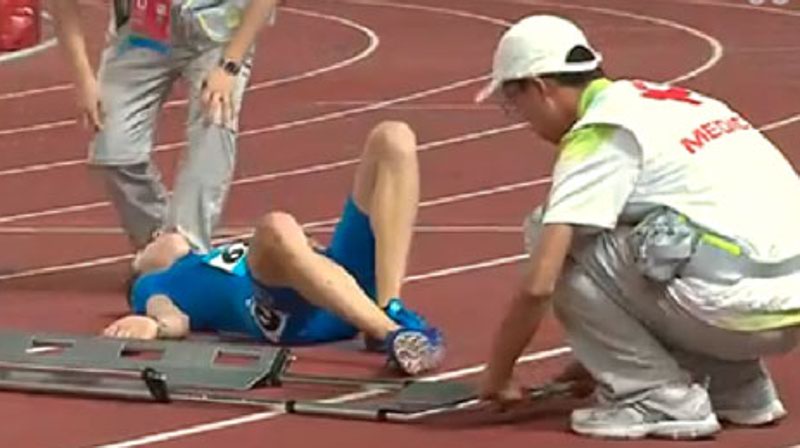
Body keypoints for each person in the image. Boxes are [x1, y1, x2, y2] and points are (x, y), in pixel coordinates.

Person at [474, 15, 800, 439]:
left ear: (539, 87)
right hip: (786, 303)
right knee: (661, 235)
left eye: (514, 105)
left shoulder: (600, 133)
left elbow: (540, 283)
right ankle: (737, 386)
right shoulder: (669, 100)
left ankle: (656, 397)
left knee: (554, 234)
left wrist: (497, 375)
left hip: (733, 311)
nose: (522, 121)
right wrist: (605, 355)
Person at [103, 121, 445, 376]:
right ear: (141, 267)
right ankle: (395, 334)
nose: (160, 236)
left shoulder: (203, 256)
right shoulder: (154, 284)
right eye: (148, 245)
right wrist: (152, 326)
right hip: (289, 318)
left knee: (392, 137)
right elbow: (172, 318)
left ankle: (390, 306)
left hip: (340, 288)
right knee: (275, 227)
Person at [50, 0, 278, 255]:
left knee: (215, 121)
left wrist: (230, 65)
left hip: (217, 37)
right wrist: (82, 78)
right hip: (142, 34)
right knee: (111, 151)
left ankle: (188, 248)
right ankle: (159, 244)